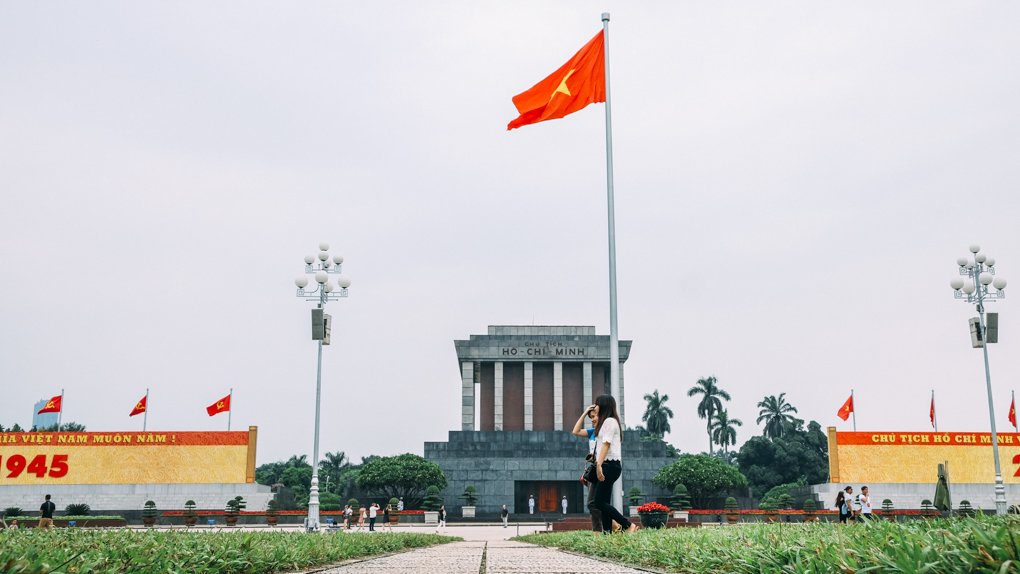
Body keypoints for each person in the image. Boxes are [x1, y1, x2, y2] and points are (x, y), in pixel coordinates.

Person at [590, 395, 637, 533]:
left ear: (603, 405)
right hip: (608, 465)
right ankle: (607, 533)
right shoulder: (606, 422)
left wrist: (599, 465)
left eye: (597, 404)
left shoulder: (610, 421)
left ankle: (628, 525)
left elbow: (606, 444)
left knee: (598, 502)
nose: (595, 406)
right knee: (604, 502)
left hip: (609, 465)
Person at [572, 405, 603, 531]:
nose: (593, 419)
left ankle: (616, 524)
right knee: (593, 504)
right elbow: (576, 431)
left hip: (602, 468)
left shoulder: (605, 431)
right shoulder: (592, 432)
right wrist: (585, 412)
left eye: (595, 416)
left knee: (593, 503)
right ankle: (597, 534)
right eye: (591, 417)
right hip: (593, 469)